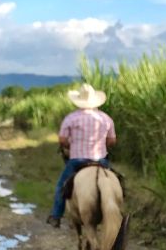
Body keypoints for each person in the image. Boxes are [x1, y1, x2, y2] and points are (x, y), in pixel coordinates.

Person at [47, 83, 117, 227]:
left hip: (77, 161)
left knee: (61, 186)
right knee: (116, 182)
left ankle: (56, 215)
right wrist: (103, 145)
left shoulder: (71, 118)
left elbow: (62, 139)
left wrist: (69, 145)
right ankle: (118, 209)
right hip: (100, 161)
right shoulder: (105, 118)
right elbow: (112, 140)